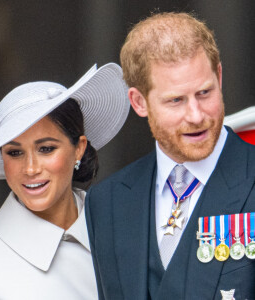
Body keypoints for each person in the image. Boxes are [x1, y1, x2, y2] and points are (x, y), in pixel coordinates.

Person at [85, 12, 255, 299]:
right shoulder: (107, 203)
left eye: (204, 92)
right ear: (139, 102)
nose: (196, 115)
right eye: (176, 100)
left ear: (220, 76)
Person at [0, 63, 129, 299]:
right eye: (15, 153)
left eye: (46, 149)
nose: (30, 168)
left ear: (79, 148)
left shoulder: (127, 235)